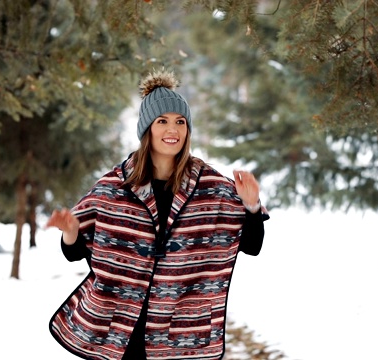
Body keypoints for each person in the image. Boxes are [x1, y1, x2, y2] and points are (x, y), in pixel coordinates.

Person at [46, 68, 268, 360]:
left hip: (181, 334)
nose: (172, 130)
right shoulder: (114, 186)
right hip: (123, 333)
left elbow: (251, 246)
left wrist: (251, 206)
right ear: (147, 128)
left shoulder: (212, 187)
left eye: (180, 122)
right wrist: (71, 231)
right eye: (162, 121)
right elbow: (73, 253)